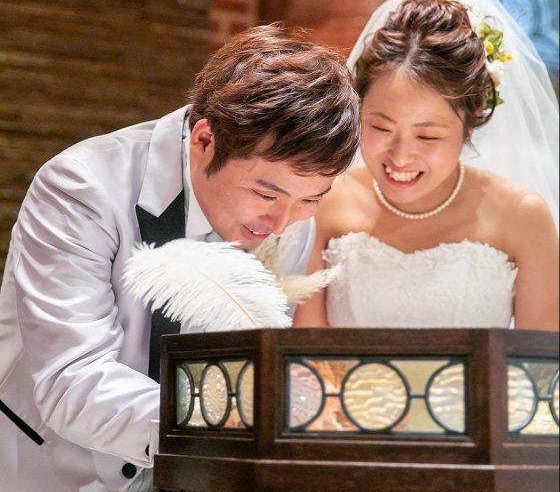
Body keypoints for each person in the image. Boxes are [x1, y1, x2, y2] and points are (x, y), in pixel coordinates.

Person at [0, 24, 360, 491]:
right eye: (265, 193)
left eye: (311, 199)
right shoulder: (81, 189)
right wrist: (237, 418)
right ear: (204, 141)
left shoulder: (288, 220)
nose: (281, 223)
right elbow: (73, 381)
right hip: (56, 472)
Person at [293, 0, 559, 331]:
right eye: (381, 128)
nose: (401, 156)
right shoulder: (323, 201)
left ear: (472, 121)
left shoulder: (522, 217)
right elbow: (302, 353)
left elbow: (539, 360)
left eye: (427, 135)